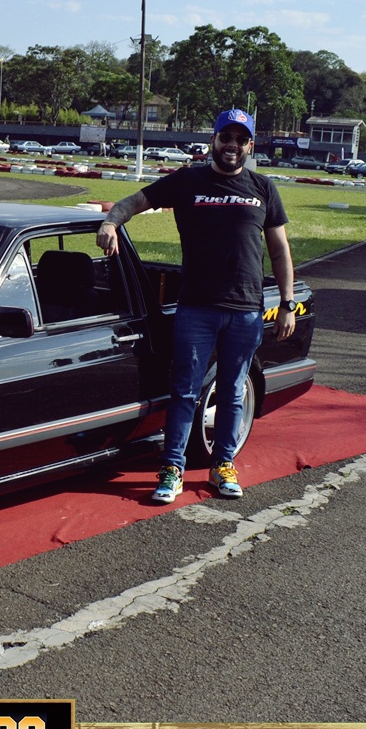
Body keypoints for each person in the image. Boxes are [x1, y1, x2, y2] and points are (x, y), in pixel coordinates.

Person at [95, 107, 295, 502]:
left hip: (245, 310)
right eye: (226, 137)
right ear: (213, 140)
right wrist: (110, 223)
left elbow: (279, 250)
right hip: (197, 309)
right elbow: (132, 203)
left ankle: (223, 465)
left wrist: (287, 303)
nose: (232, 145)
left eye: (240, 139)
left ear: (250, 145)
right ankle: (172, 469)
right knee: (185, 391)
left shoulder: (263, 188)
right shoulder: (187, 181)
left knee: (233, 391)